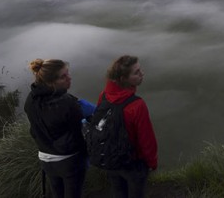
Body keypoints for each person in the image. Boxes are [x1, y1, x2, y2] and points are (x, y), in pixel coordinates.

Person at [24, 59, 87, 198]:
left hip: (45, 159)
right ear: (50, 82)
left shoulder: (30, 100)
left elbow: (35, 131)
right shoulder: (67, 103)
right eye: (63, 76)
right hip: (69, 161)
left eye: (68, 73)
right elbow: (79, 136)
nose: (69, 78)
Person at [98, 55, 158, 198]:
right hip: (133, 163)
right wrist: (152, 162)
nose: (142, 74)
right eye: (136, 72)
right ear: (123, 79)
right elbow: (146, 139)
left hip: (111, 159)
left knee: (118, 192)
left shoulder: (104, 95)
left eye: (140, 70)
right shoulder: (136, 105)